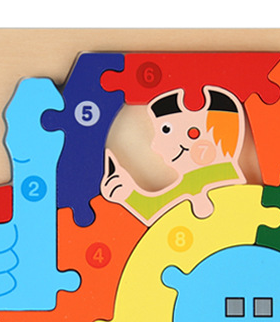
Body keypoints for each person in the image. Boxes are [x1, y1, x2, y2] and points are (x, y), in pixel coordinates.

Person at [101, 86, 246, 223]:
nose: (156, 145)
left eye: (166, 130)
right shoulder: (214, 175)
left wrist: (127, 195)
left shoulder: (199, 180)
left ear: (195, 134)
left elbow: (153, 209)